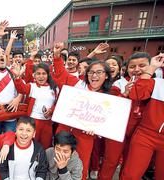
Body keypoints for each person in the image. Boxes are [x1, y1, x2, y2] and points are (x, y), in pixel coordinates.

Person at [52, 42, 113, 180]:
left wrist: (97, 130)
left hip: (85, 136)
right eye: (91, 72)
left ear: (107, 76)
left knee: (81, 166)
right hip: (65, 130)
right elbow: (61, 73)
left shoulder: (109, 98)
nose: (94, 75)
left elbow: (108, 123)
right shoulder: (78, 84)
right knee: (58, 162)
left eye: (99, 72)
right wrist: (57, 54)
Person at [99, 52, 151, 180]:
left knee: (129, 165)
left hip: (139, 134)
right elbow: (109, 107)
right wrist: (125, 93)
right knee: (110, 162)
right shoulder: (118, 84)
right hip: (117, 130)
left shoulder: (155, 84)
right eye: (132, 67)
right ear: (126, 69)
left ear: (150, 67)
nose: (137, 69)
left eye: (142, 65)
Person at [121, 53, 164, 179]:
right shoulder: (157, 82)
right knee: (130, 175)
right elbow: (137, 94)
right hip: (146, 134)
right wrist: (151, 67)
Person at [13, 62, 58, 149]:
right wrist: (18, 77)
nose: (41, 76)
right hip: (33, 121)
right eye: (38, 74)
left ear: (48, 75)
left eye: (44, 73)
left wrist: (51, 110)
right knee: (32, 145)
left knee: (45, 146)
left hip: (48, 123)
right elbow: (21, 89)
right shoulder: (32, 86)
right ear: (34, 75)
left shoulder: (54, 88)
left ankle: (43, 162)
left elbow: (57, 103)